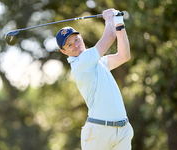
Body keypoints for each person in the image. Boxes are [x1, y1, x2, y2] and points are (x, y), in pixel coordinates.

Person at [56, 8, 133, 150]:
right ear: (64, 51)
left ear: (81, 38)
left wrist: (119, 24)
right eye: (69, 45)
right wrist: (109, 18)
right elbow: (109, 36)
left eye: (76, 39)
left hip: (122, 130)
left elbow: (124, 56)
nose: (76, 45)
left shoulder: (99, 62)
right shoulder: (80, 64)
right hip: (98, 132)